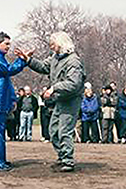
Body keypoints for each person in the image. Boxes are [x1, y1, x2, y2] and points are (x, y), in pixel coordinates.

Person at [26, 31, 85, 172]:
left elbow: (74, 84)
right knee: (53, 130)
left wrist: (54, 88)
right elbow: (43, 67)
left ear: (62, 43)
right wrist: (28, 60)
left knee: (65, 130)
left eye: (53, 44)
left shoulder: (73, 61)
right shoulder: (55, 58)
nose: (51, 46)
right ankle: (62, 155)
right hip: (61, 100)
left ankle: (68, 160)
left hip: (71, 100)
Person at [0, 31, 30, 171]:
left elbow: (6, 81)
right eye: (6, 43)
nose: (9, 46)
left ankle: (0, 160)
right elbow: (8, 70)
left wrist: (12, 99)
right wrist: (22, 60)